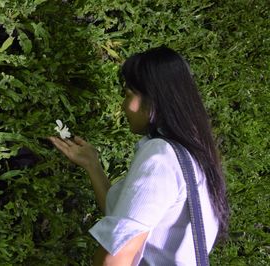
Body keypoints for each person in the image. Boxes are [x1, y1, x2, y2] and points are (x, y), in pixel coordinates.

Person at [49, 46, 229, 265]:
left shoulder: (161, 156)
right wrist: (92, 166)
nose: (125, 106)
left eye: (128, 95)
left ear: (155, 99)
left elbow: (118, 254)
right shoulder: (196, 158)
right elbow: (126, 217)